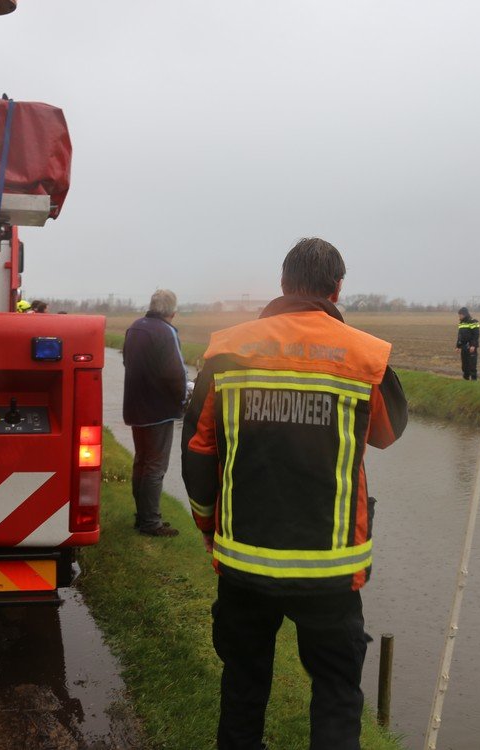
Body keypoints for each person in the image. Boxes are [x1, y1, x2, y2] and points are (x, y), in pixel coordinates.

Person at [182, 237, 408, 750]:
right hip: (330, 571)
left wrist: (207, 527)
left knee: (243, 685)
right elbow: (388, 433)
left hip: (244, 562)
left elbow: (198, 451)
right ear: (337, 288)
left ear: (282, 285)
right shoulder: (364, 354)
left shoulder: (227, 348)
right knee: (335, 692)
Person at [123, 289, 187, 538]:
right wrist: (183, 401)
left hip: (135, 406)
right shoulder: (166, 331)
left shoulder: (135, 327)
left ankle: (142, 517)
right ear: (173, 312)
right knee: (155, 466)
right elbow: (176, 373)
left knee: (141, 461)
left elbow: (127, 362)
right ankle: (151, 523)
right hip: (158, 409)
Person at [455, 306, 480, 380]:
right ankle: (465, 380)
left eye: (460, 314)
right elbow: (460, 336)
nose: (459, 316)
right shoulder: (461, 323)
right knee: (464, 365)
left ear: (465, 314)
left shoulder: (473, 321)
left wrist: (473, 345)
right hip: (464, 347)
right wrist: (458, 346)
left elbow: (476, 335)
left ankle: (474, 380)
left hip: (471, 347)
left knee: (472, 365)